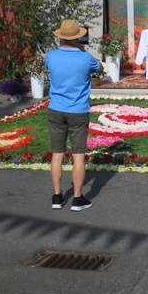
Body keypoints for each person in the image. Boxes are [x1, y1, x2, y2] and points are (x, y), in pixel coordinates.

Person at [46, 19, 100, 212]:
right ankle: (77, 198)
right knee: (78, 155)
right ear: (78, 37)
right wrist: (83, 52)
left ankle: (57, 196)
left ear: (60, 37)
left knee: (57, 154)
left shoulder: (51, 56)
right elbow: (99, 68)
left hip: (56, 108)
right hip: (78, 110)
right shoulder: (85, 58)